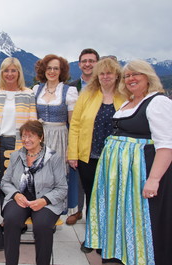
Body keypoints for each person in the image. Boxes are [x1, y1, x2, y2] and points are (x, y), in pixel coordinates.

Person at [85, 60, 172, 265]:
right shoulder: (129, 101)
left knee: (144, 219)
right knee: (125, 218)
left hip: (141, 172)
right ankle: (125, 254)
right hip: (123, 178)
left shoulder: (158, 102)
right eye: (127, 76)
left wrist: (153, 179)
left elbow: (166, 145)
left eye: (136, 74)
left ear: (148, 76)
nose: (130, 79)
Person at [67, 58, 126, 253]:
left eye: (109, 73)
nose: (105, 76)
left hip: (116, 158)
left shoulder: (125, 95)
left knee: (113, 198)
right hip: (89, 156)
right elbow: (75, 125)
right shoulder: (87, 95)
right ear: (97, 76)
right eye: (102, 73)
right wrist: (73, 153)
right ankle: (93, 238)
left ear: (117, 75)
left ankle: (111, 240)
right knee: (93, 198)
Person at [1, 120, 67, 265]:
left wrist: (44, 200)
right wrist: (16, 195)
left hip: (45, 202)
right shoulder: (16, 156)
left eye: (31, 136)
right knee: (11, 220)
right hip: (20, 199)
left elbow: (62, 188)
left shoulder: (53, 158)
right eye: (24, 136)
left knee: (42, 225)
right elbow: (5, 182)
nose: (26, 140)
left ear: (41, 137)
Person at [0, 57, 37, 181]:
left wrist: (32, 145)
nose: (10, 74)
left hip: (20, 143)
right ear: (2, 73)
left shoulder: (28, 94)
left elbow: (33, 122)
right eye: (6, 71)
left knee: (18, 181)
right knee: (0, 180)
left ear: (19, 73)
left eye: (13, 70)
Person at [32, 54, 78, 198]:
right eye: (49, 68)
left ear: (61, 71)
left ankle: (57, 208)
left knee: (56, 174)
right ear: (44, 70)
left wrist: (71, 148)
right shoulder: (36, 90)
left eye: (56, 68)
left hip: (59, 136)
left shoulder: (68, 91)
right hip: (40, 136)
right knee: (38, 172)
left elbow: (73, 123)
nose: (52, 71)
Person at [66, 48, 100, 225]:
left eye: (92, 61)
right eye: (84, 61)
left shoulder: (103, 86)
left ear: (97, 63)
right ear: (79, 64)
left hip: (98, 137)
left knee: (95, 179)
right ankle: (77, 210)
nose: (88, 64)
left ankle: (94, 214)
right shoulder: (71, 87)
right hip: (77, 134)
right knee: (77, 176)